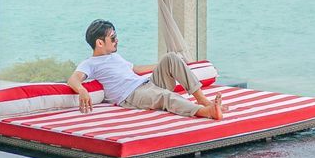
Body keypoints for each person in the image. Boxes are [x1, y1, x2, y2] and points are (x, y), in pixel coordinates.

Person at [68, 19, 223, 120]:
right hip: (132, 95)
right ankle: (203, 112)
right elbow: (73, 79)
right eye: (113, 38)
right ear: (100, 43)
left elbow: (135, 69)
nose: (117, 40)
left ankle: (201, 99)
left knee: (171, 57)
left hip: (147, 83)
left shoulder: (114, 57)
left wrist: (163, 65)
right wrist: (82, 90)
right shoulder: (90, 63)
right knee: (165, 95)